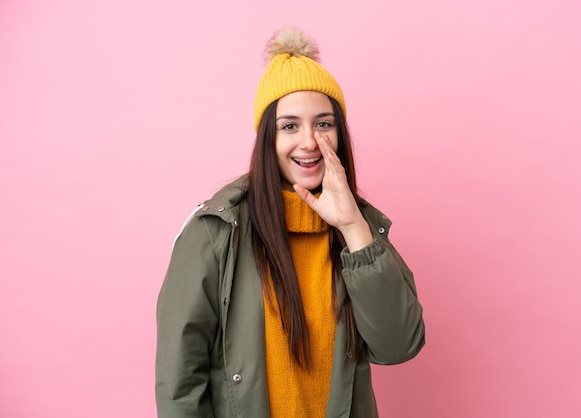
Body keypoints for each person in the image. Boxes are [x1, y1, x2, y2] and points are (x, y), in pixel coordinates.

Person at [155, 27, 426, 418]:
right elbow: (180, 383)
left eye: (324, 123)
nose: (309, 142)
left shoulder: (361, 229)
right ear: (267, 137)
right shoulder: (215, 231)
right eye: (289, 126)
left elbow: (398, 345)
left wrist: (351, 228)